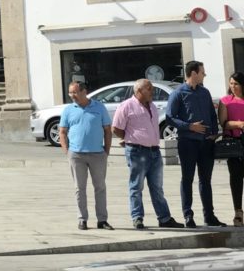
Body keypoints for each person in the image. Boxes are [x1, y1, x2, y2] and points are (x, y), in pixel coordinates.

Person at [111, 78, 183, 229]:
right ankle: (137, 217)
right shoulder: (126, 106)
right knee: (136, 186)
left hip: (154, 151)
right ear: (138, 91)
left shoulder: (152, 106)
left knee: (157, 187)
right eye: (148, 88)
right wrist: (129, 138)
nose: (152, 91)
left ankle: (164, 219)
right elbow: (116, 128)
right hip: (137, 151)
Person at [167, 60, 224, 227]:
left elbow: (212, 115)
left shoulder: (205, 92)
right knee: (187, 179)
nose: (204, 75)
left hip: (206, 143)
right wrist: (190, 126)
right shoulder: (177, 93)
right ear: (193, 73)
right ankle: (188, 215)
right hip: (187, 143)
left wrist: (213, 133)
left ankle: (209, 216)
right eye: (202, 72)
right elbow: (170, 118)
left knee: (206, 180)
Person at [59, 81, 113, 230]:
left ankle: (102, 220)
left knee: (100, 187)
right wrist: (67, 152)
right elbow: (62, 132)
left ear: (84, 92)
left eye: (75, 92)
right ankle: (82, 219)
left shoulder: (99, 107)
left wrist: (106, 151)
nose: (72, 96)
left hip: (97, 154)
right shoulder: (68, 110)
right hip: (76, 155)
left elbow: (108, 130)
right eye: (70, 93)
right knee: (79, 188)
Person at [218, 71, 244, 227]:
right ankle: (238, 212)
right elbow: (224, 123)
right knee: (236, 178)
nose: (233, 86)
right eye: (231, 83)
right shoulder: (225, 101)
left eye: (236, 83)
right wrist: (240, 124)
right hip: (234, 143)